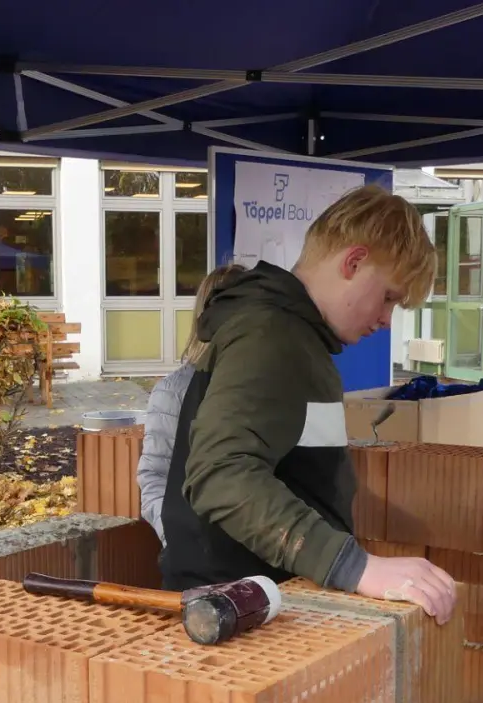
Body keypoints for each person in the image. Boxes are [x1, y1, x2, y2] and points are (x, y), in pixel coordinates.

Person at [158, 184, 455, 622]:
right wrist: (352, 566)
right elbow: (220, 473)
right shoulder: (271, 335)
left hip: (262, 598)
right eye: (389, 297)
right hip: (232, 608)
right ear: (354, 261)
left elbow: (299, 470)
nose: (386, 319)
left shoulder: (298, 339)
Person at [136, 262, 246, 545]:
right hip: (195, 564)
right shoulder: (172, 391)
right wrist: (179, 539)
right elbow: (154, 477)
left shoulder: (270, 385)